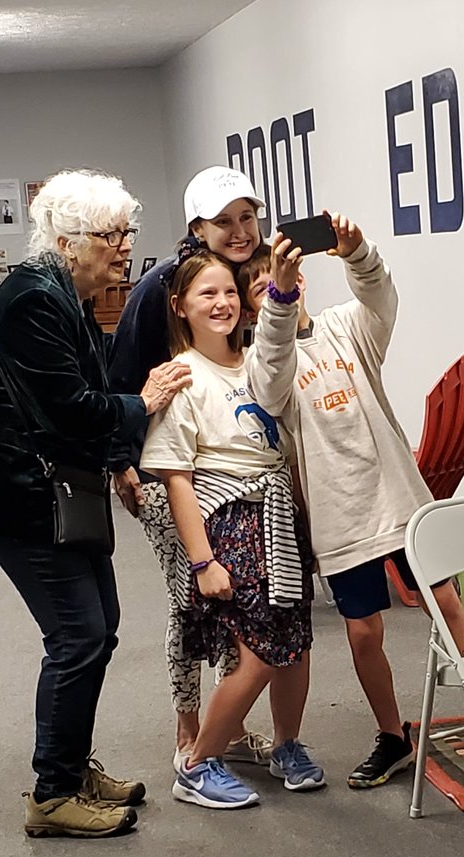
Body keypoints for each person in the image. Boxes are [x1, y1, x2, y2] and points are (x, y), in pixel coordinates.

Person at [0, 170, 191, 838]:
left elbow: (92, 375)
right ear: (63, 239)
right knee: (77, 635)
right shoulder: (29, 300)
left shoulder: (67, 295)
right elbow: (73, 408)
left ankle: (72, 766)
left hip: (53, 487)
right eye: (108, 235)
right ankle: (52, 794)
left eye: (125, 232)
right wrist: (147, 403)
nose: (123, 246)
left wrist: (126, 432)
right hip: (15, 496)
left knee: (99, 624)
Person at [243, 215, 464, 788]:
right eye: (262, 288)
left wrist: (356, 251)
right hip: (342, 518)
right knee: (364, 632)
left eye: (282, 278)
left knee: (447, 603)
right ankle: (393, 734)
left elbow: (382, 299)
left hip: (398, 498)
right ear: (255, 307)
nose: (277, 288)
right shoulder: (264, 362)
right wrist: (280, 302)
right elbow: (271, 385)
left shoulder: (347, 327)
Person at [140, 248, 324, 809]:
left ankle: (287, 744)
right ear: (180, 306)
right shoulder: (181, 377)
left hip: (279, 516)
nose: (221, 303)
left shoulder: (258, 362)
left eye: (229, 292)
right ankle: (197, 765)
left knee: (295, 641)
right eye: (206, 294)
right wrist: (202, 560)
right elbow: (176, 479)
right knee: (257, 651)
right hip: (232, 522)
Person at [109, 166, 273, 769]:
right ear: (197, 226)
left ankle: (226, 730)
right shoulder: (164, 286)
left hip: (231, 470)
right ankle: (188, 733)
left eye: (246, 218)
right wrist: (120, 464)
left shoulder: (249, 277)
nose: (238, 231)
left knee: (234, 606)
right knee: (190, 600)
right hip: (166, 467)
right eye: (223, 221)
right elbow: (122, 374)